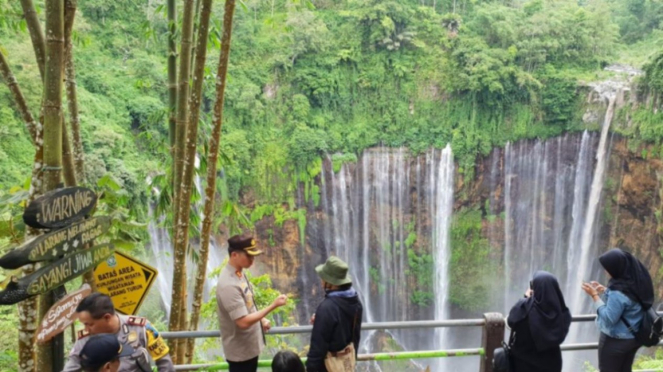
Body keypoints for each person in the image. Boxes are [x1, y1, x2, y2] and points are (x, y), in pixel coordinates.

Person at [216, 233, 288, 372]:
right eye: (248, 256)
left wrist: (261, 320)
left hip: (248, 348)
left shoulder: (239, 273)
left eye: (253, 255)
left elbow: (247, 304)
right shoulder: (229, 285)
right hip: (241, 353)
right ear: (234, 255)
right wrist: (273, 305)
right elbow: (242, 322)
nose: (252, 260)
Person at [582, 248, 655, 372]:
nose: (606, 271)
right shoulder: (635, 282)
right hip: (633, 338)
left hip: (616, 341)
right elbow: (627, 304)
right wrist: (605, 291)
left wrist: (594, 296)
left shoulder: (618, 291)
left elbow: (609, 318)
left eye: (608, 268)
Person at [63, 293, 174, 372]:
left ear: (107, 318)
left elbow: (164, 362)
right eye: (84, 324)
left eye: (89, 324)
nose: (86, 329)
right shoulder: (86, 338)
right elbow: (72, 366)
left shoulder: (141, 328)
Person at [306, 256, 363, 372]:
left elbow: (317, 350)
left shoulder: (327, 308)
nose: (321, 281)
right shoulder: (356, 303)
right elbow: (355, 338)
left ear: (330, 283)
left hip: (329, 366)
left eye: (323, 278)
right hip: (346, 365)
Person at [507, 271, 571, 372]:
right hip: (551, 364)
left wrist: (526, 298)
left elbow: (511, 321)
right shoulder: (563, 314)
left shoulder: (524, 307)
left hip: (523, 362)